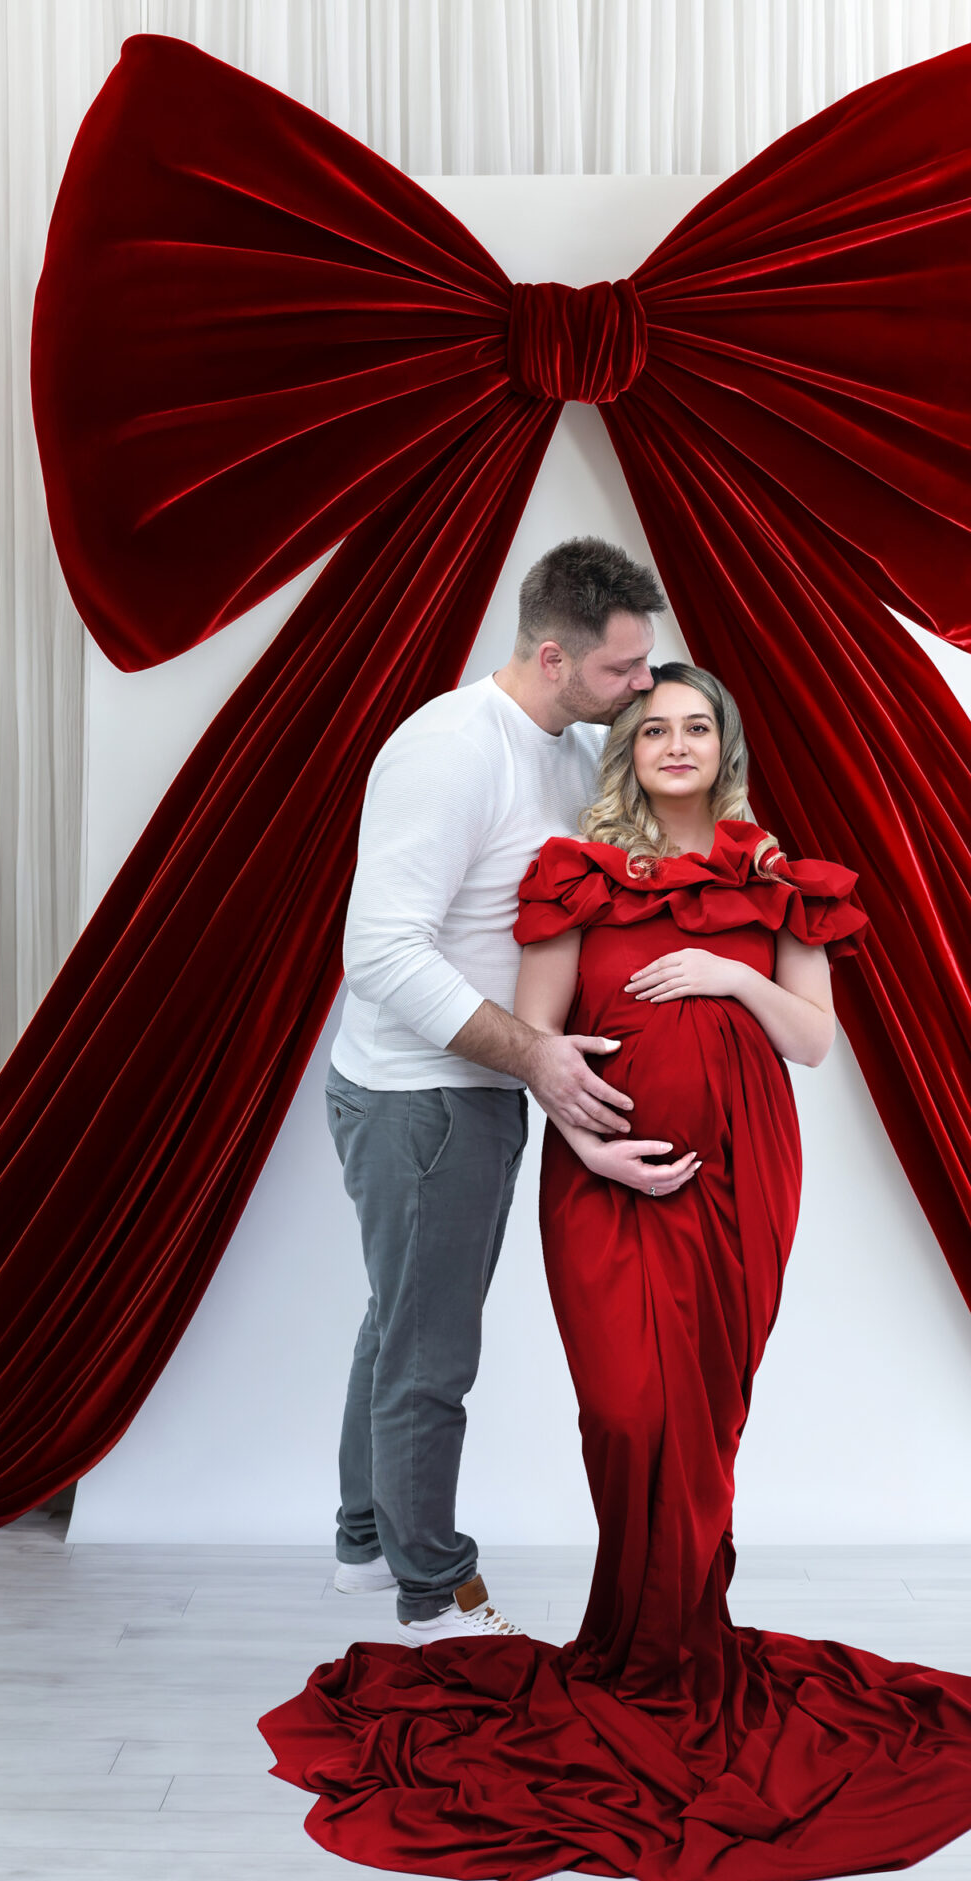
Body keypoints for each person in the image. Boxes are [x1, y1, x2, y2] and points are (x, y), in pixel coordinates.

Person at [262, 661, 971, 1881]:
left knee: (705, 1424)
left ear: (724, 746)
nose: (674, 741)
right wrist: (587, 1139)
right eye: (652, 725)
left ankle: (676, 1645)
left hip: (744, 1184)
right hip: (603, 1182)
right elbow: (537, 1041)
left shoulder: (779, 879)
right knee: (626, 1415)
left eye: (696, 726)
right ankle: (625, 1651)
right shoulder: (576, 873)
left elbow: (816, 1041)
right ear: (625, 749)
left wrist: (733, 974)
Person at [324, 535, 668, 1645]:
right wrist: (530, 1052)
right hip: (421, 1098)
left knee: (399, 1319)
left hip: (467, 1087)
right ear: (556, 657)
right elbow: (377, 951)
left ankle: (365, 1544)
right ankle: (438, 1595)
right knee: (432, 1351)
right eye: (626, 671)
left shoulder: (568, 750)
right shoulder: (451, 752)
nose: (645, 688)